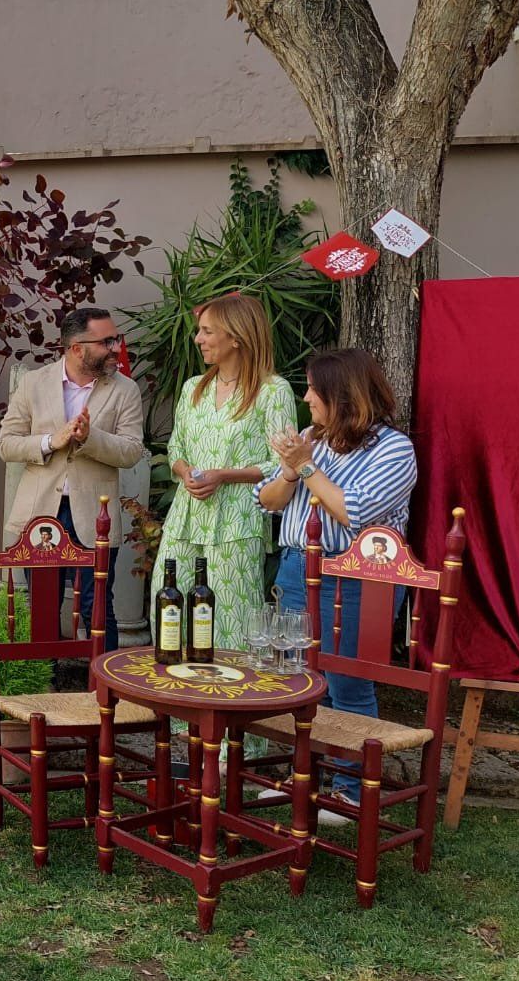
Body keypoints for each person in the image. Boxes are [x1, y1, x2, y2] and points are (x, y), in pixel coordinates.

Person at [257, 348, 418, 806]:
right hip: (296, 568)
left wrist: (307, 466)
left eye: (314, 390)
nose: (306, 398)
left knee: (348, 683)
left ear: (343, 395)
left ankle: (349, 791)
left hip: (357, 579)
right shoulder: (313, 438)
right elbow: (267, 500)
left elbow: (354, 511)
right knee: (301, 680)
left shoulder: (394, 449)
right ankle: (307, 782)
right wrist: (291, 470)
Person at [153, 294, 295, 649]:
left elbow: (283, 462)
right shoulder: (193, 388)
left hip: (236, 522)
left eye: (207, 331)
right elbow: (176, 447)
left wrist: (224, 475)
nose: (197, 339)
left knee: (229, 623)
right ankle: (172, 683)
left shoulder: (272, 391)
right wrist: (184, 469)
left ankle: (229, 686)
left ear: (236, 337)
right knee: (169, 610)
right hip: (185, 518)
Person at [0, 306, 144, 649]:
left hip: (95, 515)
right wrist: (52, 441)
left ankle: (102, 679)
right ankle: (44, 678)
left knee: (98, 607)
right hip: (42, 513)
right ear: (77, 348)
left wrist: (90, 438)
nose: (116, 348)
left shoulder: (125, 389)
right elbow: (7, 444)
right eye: (107, 341)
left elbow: (131, 451)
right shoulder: (34, 383)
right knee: (43, 608)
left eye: (116, 339)